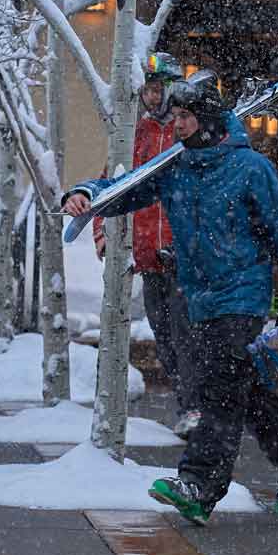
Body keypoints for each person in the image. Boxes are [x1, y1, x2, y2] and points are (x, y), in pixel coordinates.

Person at [63, 70, 278, 525]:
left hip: (243, 297)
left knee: (220, 393)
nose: (177, 124)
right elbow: (124, 189)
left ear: (205, 119)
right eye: (176, 115)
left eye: (185, 116)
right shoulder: (175, 167)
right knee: (248, 394)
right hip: (199, 299)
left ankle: (199, 484)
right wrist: (87, 194)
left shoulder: (251, 170)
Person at [92, 52, 200, 438]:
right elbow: (110, 185)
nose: (152, 99)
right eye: (147, 91)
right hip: (147, 259)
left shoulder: (185, 134)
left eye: (158, 90)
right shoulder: (133, 135)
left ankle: (194, 408)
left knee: (186, 335)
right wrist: (103, 234)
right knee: (165, 340)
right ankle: (187, 402)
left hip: (184, 258)